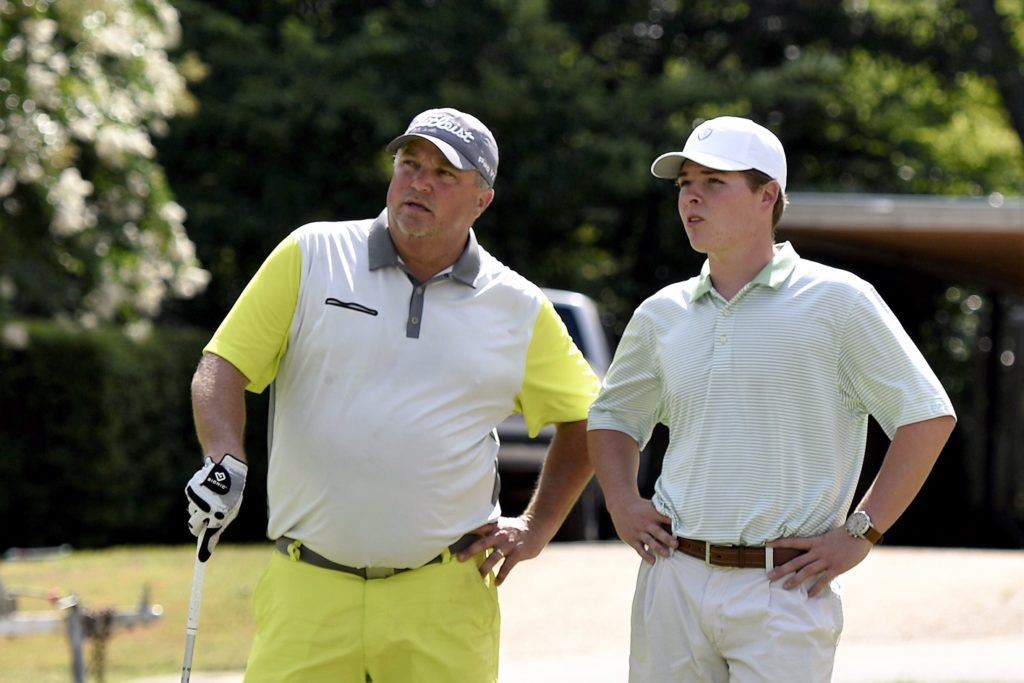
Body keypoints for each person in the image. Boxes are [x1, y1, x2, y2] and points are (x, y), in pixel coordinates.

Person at [183, 107, 600, 683]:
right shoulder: (312, 254)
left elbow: (592, 419)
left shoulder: (518, 306)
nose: (419, 182)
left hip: (443, 600)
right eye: (410, 163)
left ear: (482, 201)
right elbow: (223, 364)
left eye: (445, 174)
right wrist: (223, 457)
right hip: (307, 590)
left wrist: (535, 527)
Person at [587, 115, 957, 682]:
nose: (691, 197)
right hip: (672, 581)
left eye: (714, 182)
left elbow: (926, 417)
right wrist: (621, 500)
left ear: (768, 196)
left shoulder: (840, 301)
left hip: (784, 587)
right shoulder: (662, 311)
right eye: (685, 183)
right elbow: (613, 415)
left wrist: (861, 533)